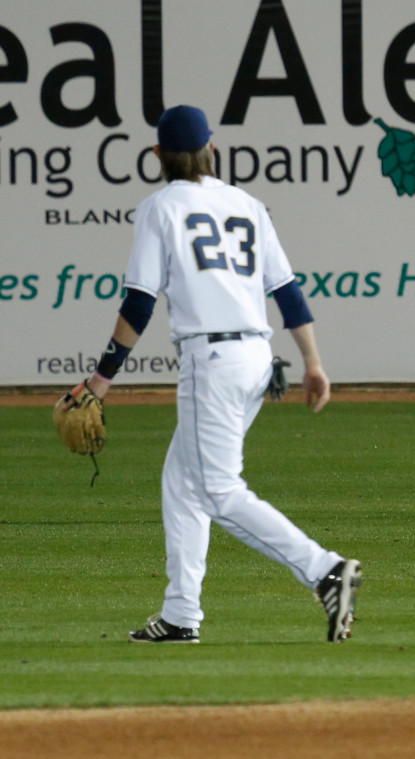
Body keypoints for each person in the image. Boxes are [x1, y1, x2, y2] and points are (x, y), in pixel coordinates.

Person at [69, 104, 362, 642]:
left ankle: (325, 570)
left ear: (158, 155)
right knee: (181, 484)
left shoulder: (160, 207)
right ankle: (181, 614)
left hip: (212, 361)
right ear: (213, 149)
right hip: (256, 358)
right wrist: (313, 361)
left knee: (218, 490)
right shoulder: (246, 202)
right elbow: (287, 292)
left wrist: (99, 382)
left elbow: (138, 304)